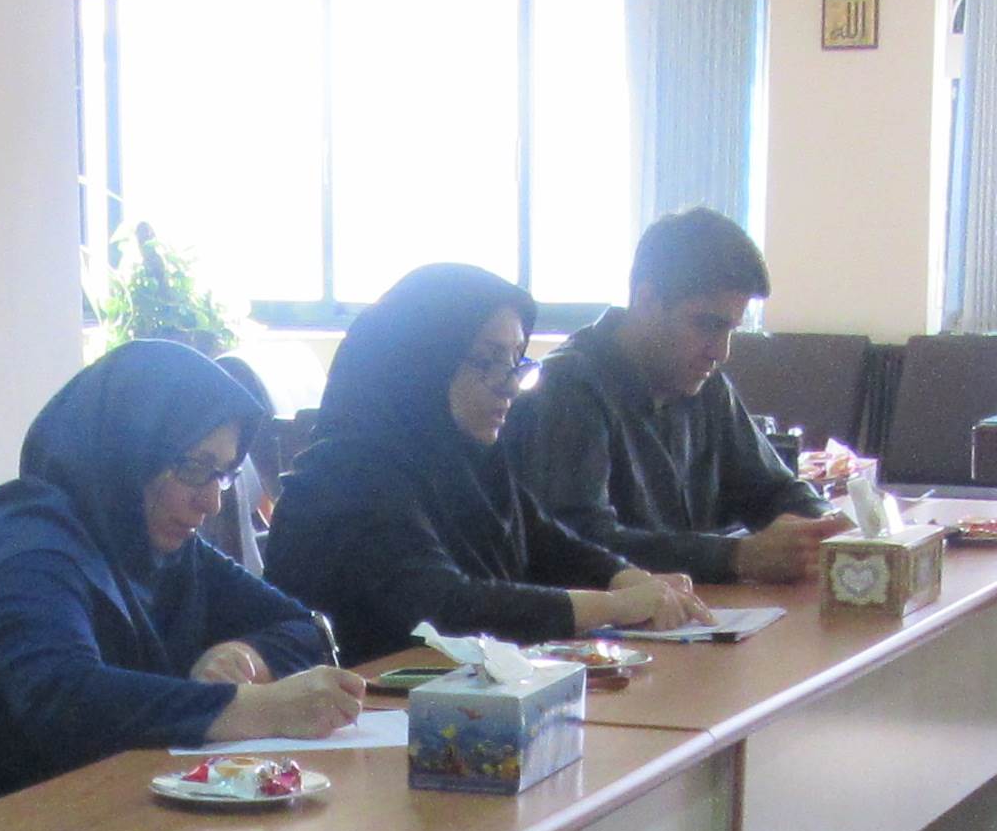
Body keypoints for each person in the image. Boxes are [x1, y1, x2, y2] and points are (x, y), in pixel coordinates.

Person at [0, 341, 367, 823]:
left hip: (93, 810)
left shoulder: (155, 543)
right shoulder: (22, 548)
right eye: (195, 468)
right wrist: (257, 708)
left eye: (223, 473)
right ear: (129, 452)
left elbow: (303, 628)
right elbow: (64, 699)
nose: (211, 501)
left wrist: (243, 654)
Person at [262, 265, 708, 657]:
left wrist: (625, 577)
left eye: (515, 362)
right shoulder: (345, 476)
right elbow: (445, 608)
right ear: (420, 363)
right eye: (488, 362)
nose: (509, 386)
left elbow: (548, 545)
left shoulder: (469, 458)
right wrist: (613, 607)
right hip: (361, 711)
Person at [504, 208, 835, 585]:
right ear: (646, 300)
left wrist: (824, 527)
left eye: (730, 329)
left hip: (698, 610)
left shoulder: (706, 385)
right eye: (707, 325)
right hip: (611, 620)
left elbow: (774, 491)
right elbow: (577, 545)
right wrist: (737, 557)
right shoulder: (568, 387)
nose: (721, 351)